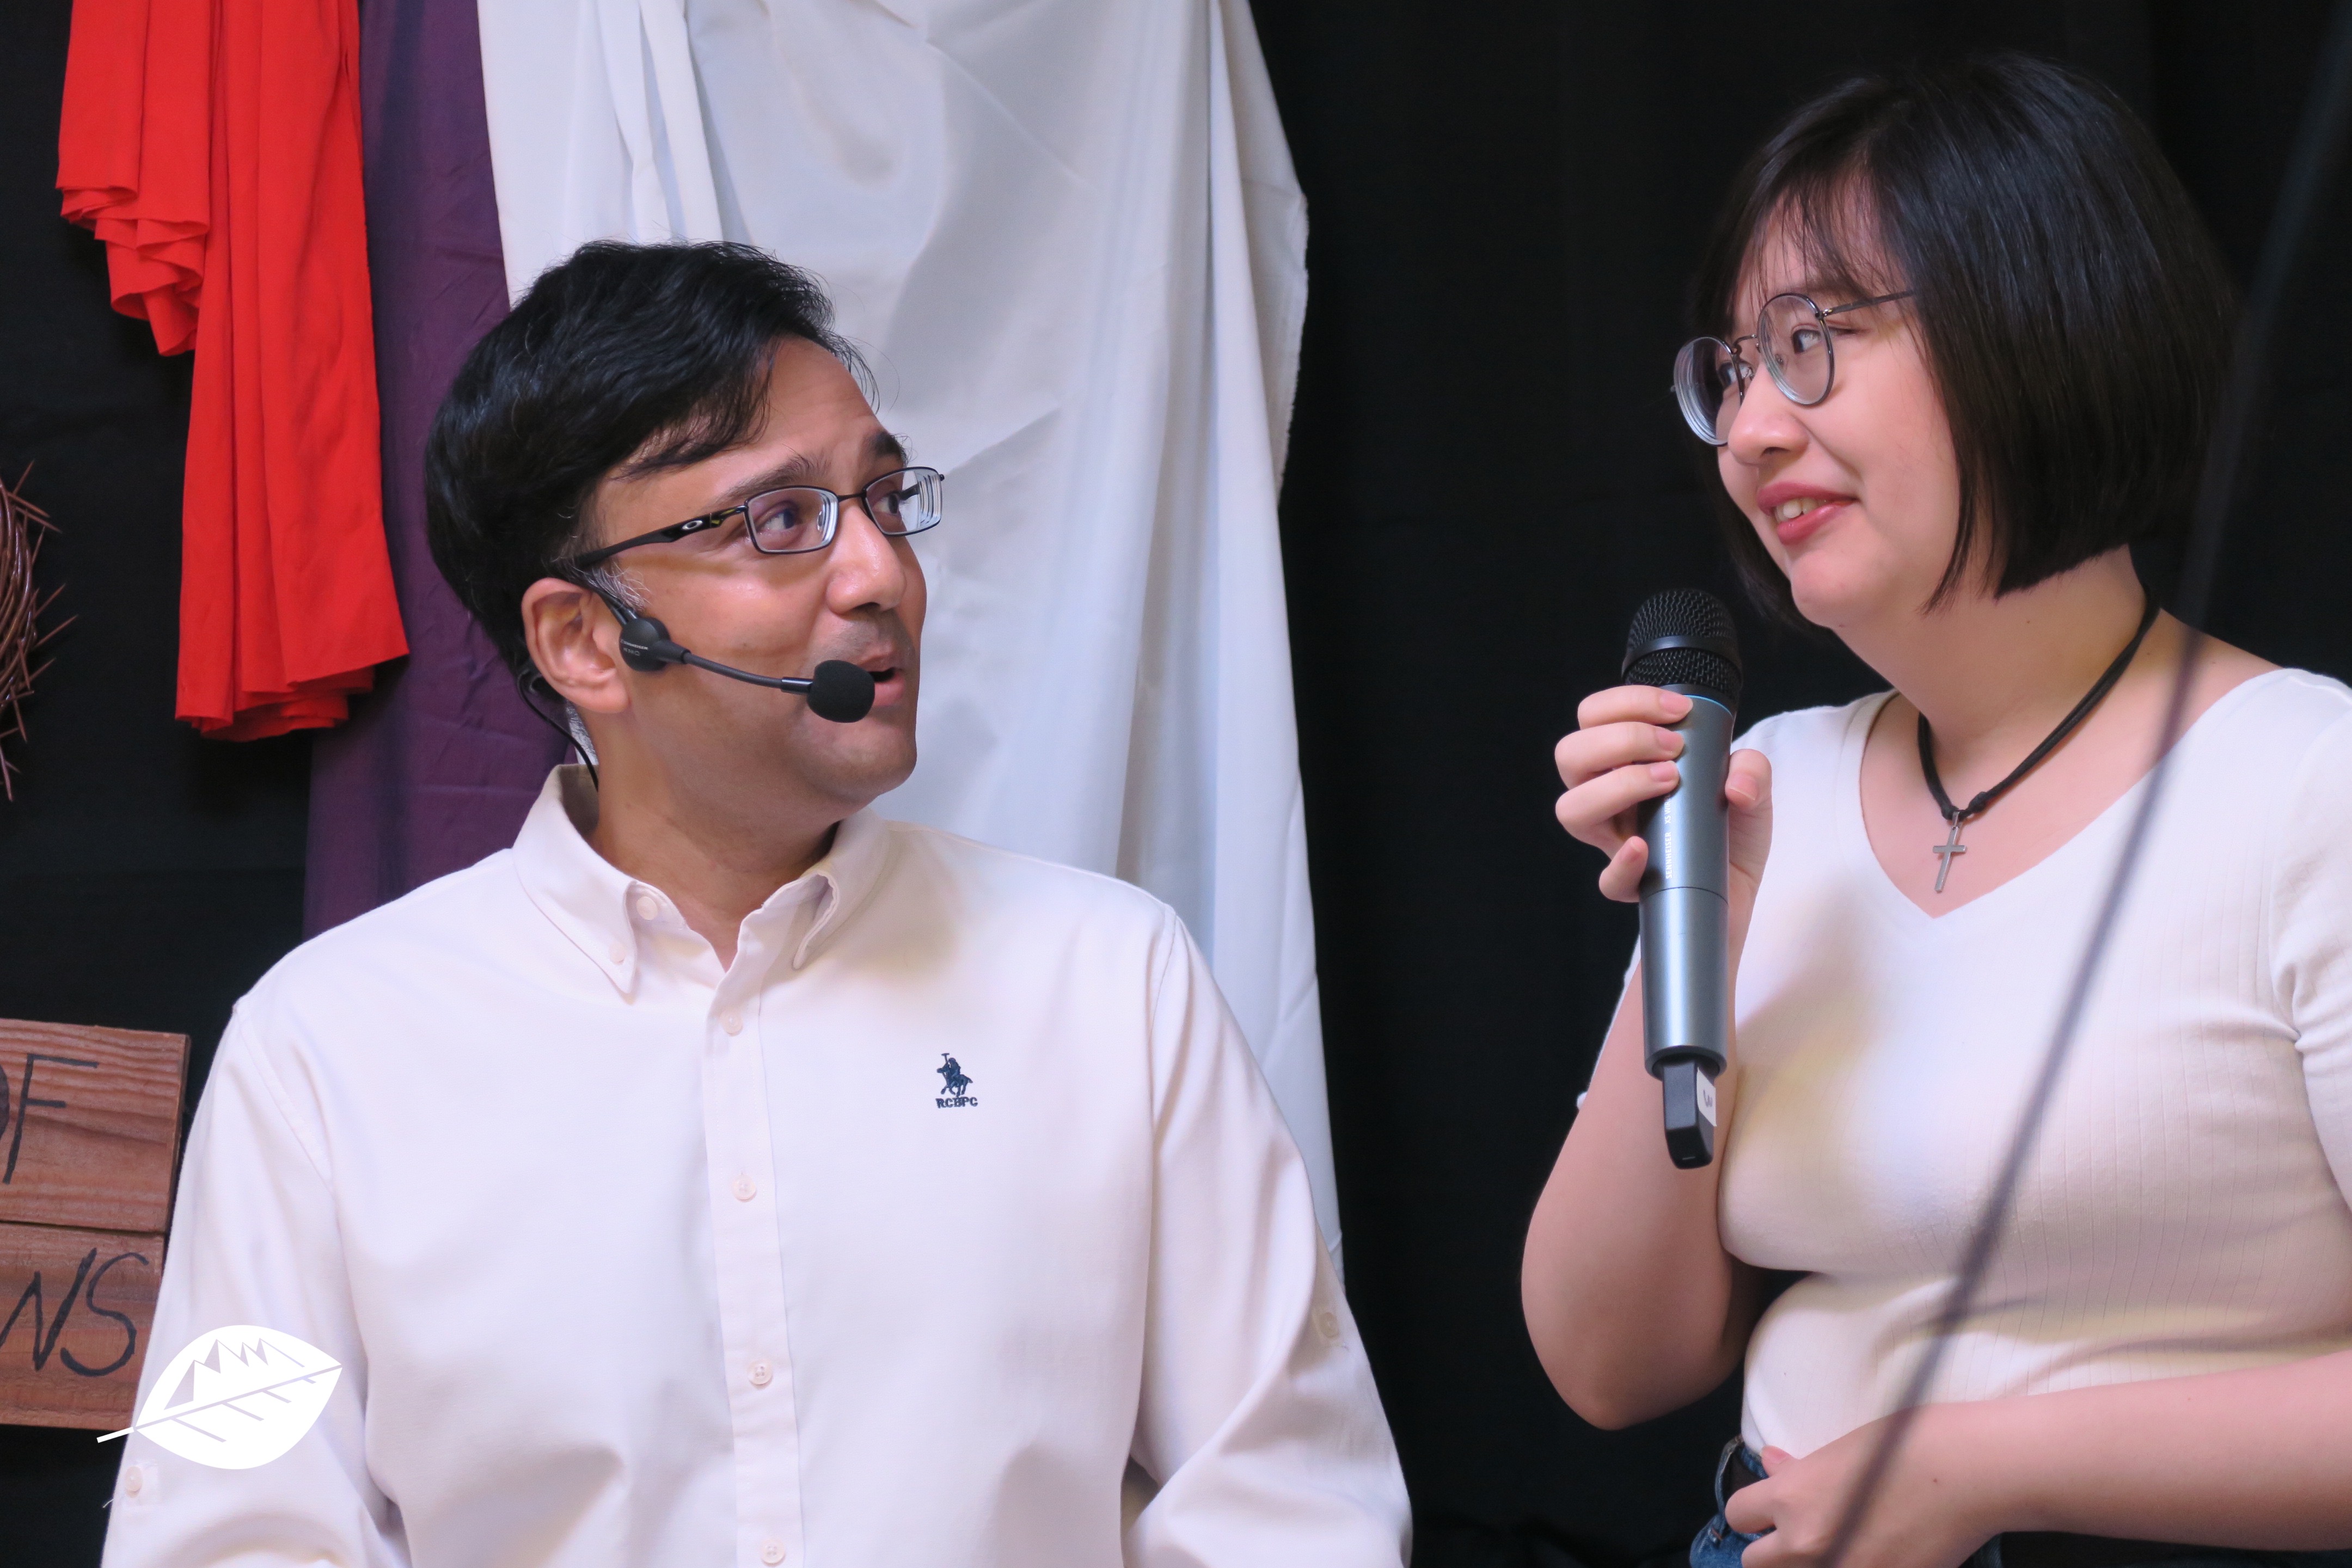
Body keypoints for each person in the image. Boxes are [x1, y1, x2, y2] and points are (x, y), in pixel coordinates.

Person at [102, 241, 1408, 1567]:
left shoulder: (1112, 982)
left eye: (883, 499)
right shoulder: (326, 1051)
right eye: (778, 521)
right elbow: (227, 1538)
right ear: (585, 640)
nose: (879, 574)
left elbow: (1291, 1508)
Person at [1521, 56, 2352, 1568]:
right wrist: (1695, 919)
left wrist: (1974, 1469)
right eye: (1737, 370)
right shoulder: (1770, 787)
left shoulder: (2308, 785)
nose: (1751, 430)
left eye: (1813, 345)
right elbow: (1607, 1363)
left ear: (2042, 319)